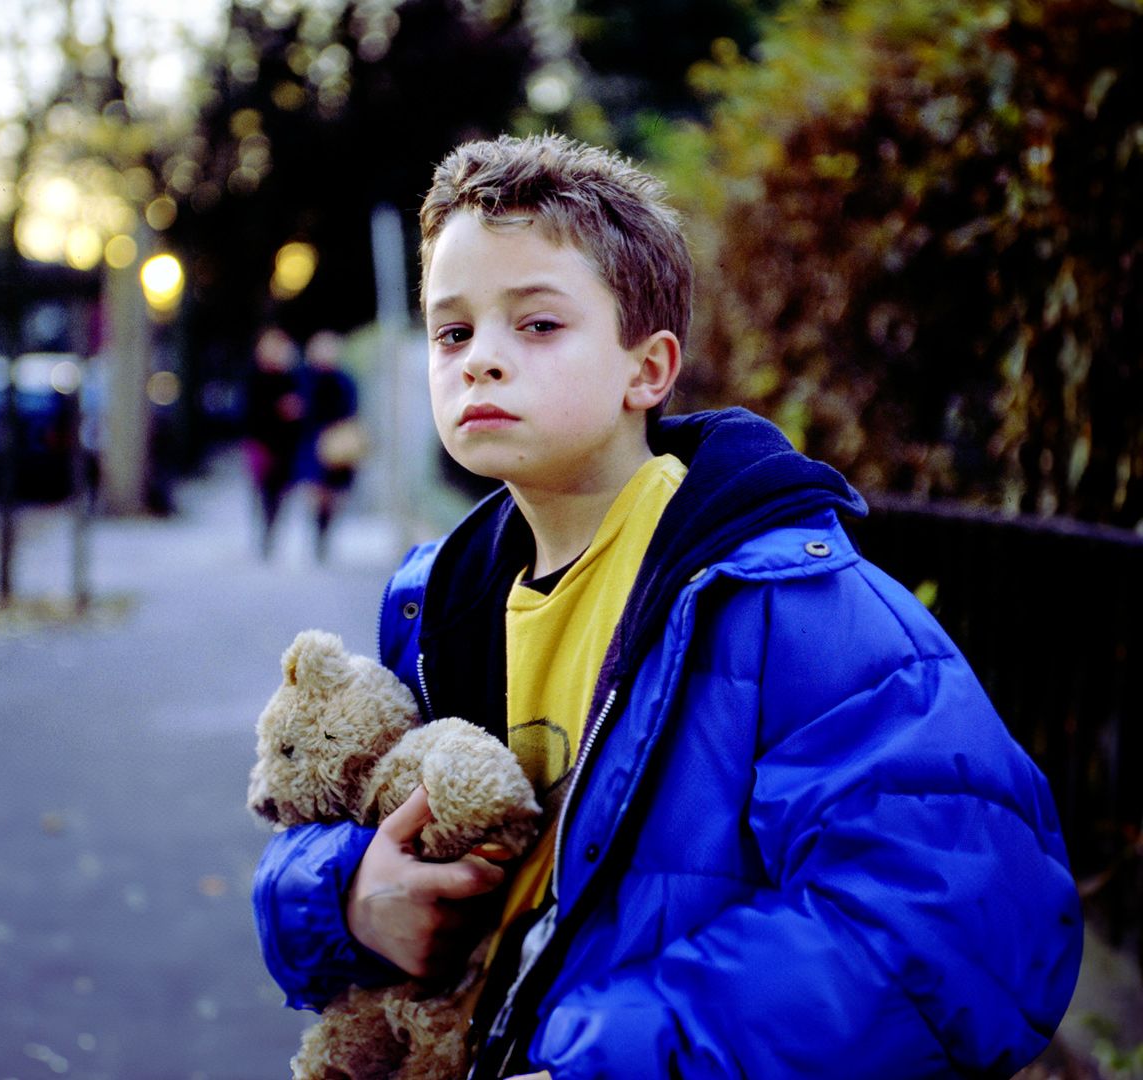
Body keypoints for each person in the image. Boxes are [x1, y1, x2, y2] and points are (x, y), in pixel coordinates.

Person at [250, 132, 1080, 1078]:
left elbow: (964, 924)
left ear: (647, 369)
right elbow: (332, 818)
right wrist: (344, 895)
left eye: (537, 325)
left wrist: (607, 1059)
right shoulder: (434, 607)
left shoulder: (793, 606)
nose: (479, 359)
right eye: (453, 331)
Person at [243, 325, 306, 558]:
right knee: (263, 491)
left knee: (280, 493)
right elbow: (249, 412)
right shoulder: (255, 376)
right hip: (261, 443)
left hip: (286, 445)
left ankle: (272, 533)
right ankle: (264, 534)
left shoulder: (291, 377)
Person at [302, 329, 363, 563]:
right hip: (314, 443)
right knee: (317, 493)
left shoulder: (344, 379)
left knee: (335, 495)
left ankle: (324, 533)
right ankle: (318, 534)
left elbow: (352, 408)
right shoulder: (308, 377)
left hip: (338, 442)